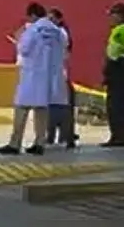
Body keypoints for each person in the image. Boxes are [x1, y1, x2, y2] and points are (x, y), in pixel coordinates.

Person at [0, 2, 68, 155]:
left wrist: (18, 38)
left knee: (21, 108)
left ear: (33, 15)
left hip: (32, 74)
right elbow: (64, 49)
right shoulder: (58, 32)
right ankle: (39, 142)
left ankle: (15, 143)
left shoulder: (32, 30)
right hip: (50, 76)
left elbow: (24, 50)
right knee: (42, 110)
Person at [103, 2, 124, 147]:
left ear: (119, 15)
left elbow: (113, 53)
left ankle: (118, 136)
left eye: (113, 15)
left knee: (115, 105)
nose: (111, 18)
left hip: (118, 69)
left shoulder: (120, 31)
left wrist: (106, 71)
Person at [46, 8, 77, 149]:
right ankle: (51, 135)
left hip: (59, 76)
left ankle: (66, 136)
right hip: (52, 76)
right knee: (51, 107)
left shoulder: (61, 34)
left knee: (62, 108)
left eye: (52, 19)